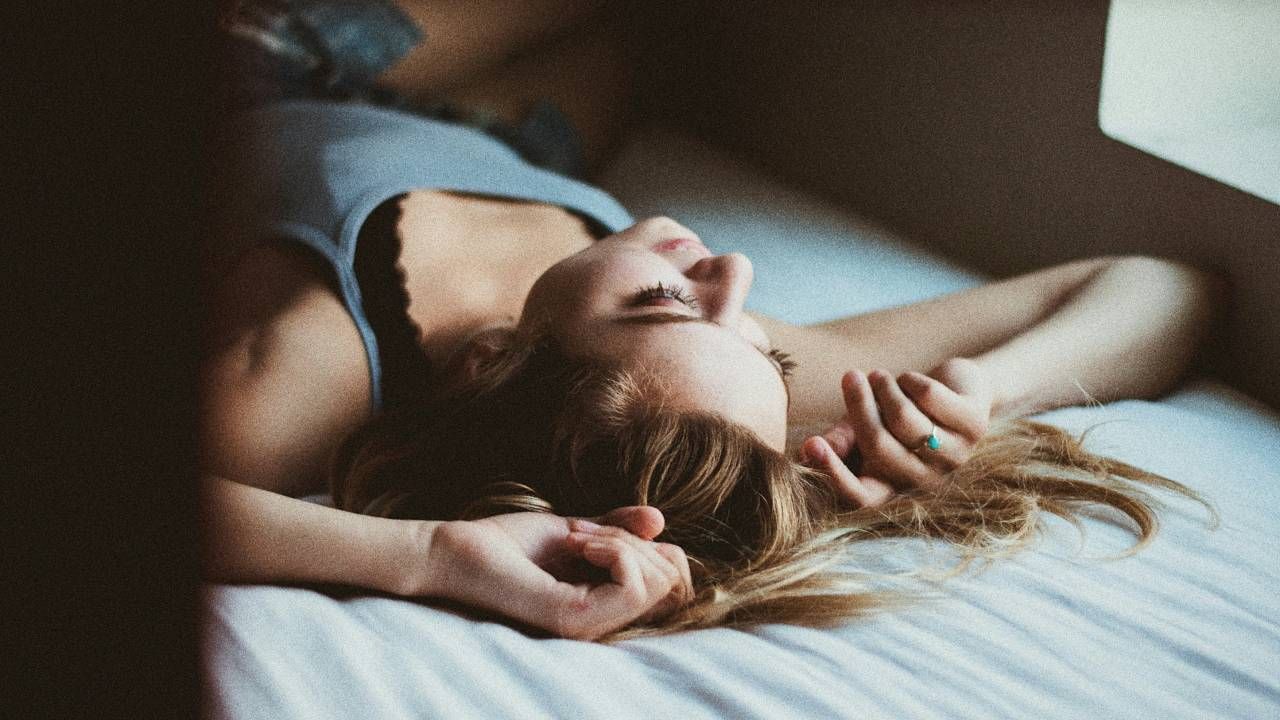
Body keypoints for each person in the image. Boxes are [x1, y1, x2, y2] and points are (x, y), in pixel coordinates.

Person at [201, 0, 1223, 641]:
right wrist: (982, 393)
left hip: (264, 75)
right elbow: (1161, 286)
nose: (728, 272)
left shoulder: (322, 362)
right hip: (521, 148)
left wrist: (428, 555)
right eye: (755, 340)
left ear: (493, 359)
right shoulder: (716, 379)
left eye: (661, 301)